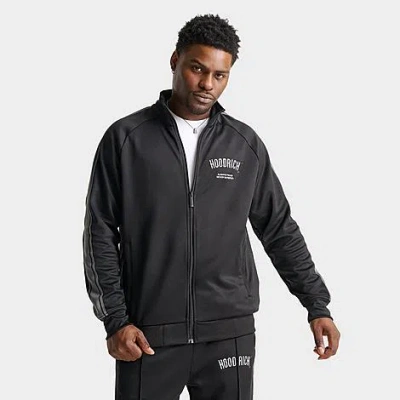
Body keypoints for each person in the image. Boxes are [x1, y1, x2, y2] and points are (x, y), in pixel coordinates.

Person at [82, 13, 340, 400]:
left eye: (220, 75)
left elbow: (279, 229)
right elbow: (99, 233)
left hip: (229, 334)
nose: (207, 84)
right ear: (175, 61)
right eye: (197, 69)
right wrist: (115, 320)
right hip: (148, 335)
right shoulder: (126, 139)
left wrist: (317, 305)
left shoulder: (244, 144)